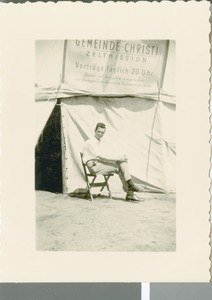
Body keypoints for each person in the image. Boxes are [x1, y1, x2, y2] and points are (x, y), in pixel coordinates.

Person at [82, 122, 143, 201]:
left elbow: (106, 155)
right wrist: (119, 159)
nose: (100, 134)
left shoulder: (98, 142)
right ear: (94, 131)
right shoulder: (91, 142)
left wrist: (119, 158)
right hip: (94, 166)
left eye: (102, 132)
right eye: (99, 132)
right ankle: (130, 190)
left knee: (122, 164)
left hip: (99, 163)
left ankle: (130, 189)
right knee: (120, 166)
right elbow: (102, 157)